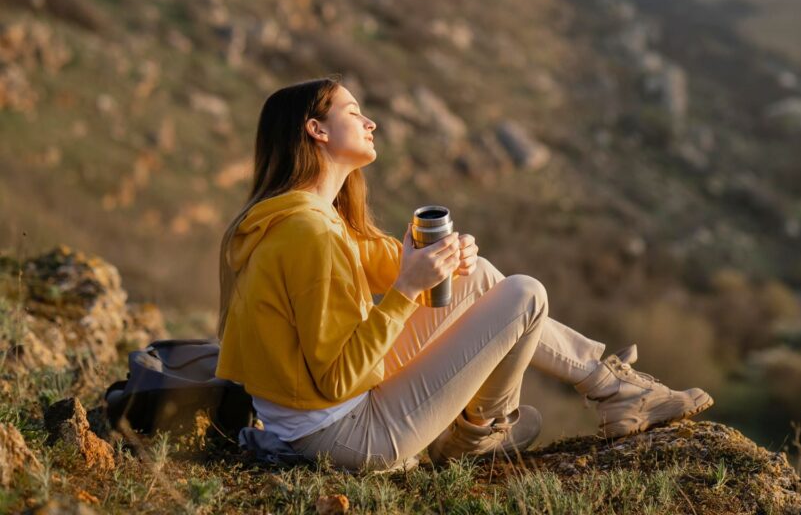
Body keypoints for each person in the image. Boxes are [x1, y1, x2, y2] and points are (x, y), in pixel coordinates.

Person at [215, 75, 713, 473]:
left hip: (323, 414)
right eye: (352, 112)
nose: (370, 122)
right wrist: (409, 287)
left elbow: (380, 268)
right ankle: (481, 432)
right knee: (526, 295)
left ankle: (609, 388)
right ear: (316, 130)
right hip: (344, 435)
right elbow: (338, 377)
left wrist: (441, 261)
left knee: (480, 278)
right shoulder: (309, 233)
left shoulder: (309, 217)